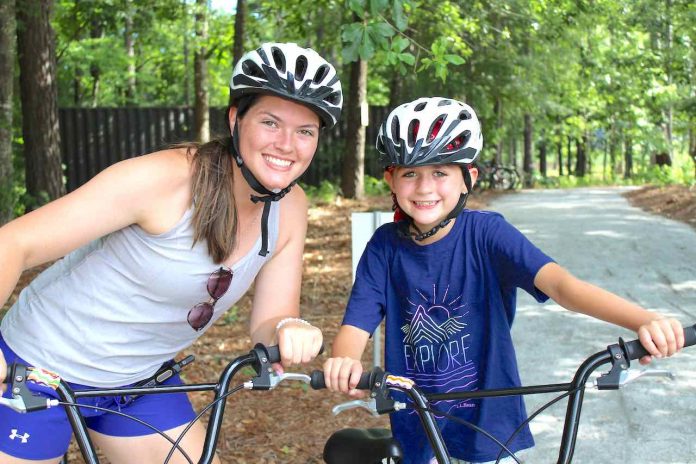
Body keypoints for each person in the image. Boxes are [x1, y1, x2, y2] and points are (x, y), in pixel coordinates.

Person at [0, 42, 342, 464]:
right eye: (271, 122)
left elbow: (270, 320)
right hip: (36, 368)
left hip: (138, 383)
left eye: (305, 131)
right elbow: (13, 242)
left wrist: (290, 327)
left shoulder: (290, 209)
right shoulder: (165, 180)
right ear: (236, 119)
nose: (287, 144)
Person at [322, 97, 684, 464]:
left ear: (468, 179)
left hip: (490, 426)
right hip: (418, 425)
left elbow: (562, 286)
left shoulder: (488, 235)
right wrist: (345, 359)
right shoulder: (384, 247)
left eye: (441, 172)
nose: (424, 187)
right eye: (411, 173)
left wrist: (643, 321)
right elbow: (357, 322)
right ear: (391, 179)